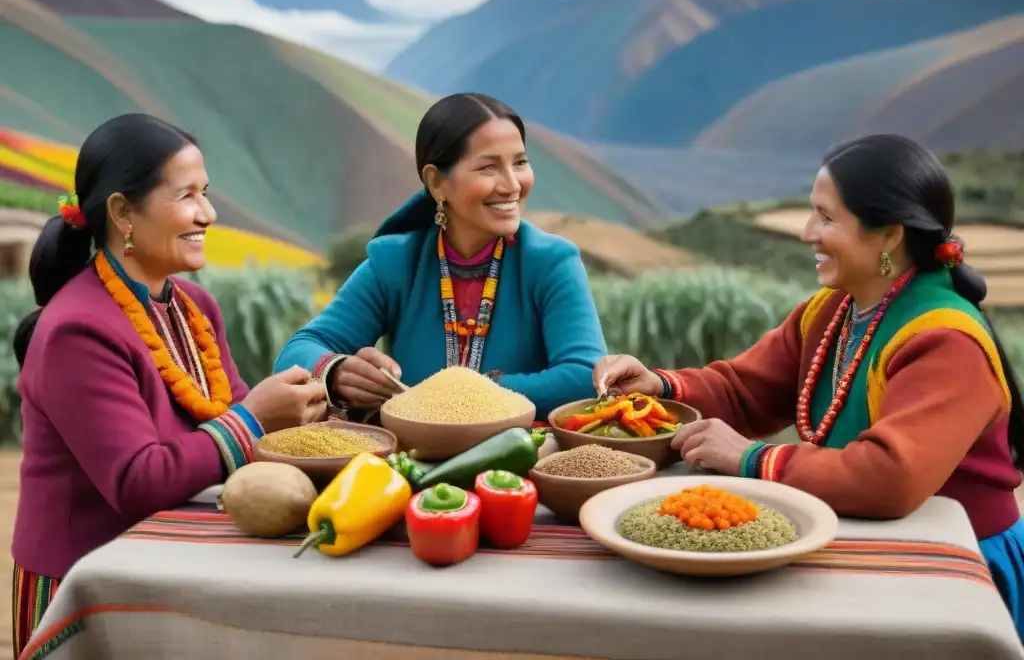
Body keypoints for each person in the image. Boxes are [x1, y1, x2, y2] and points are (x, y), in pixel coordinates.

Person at [593, 134, 1024, 635]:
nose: (806, 233)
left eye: (826, 217)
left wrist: (752, 459)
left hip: (953, 567)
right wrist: (661, 388)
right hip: (870, 544)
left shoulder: (946, 341)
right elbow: (744, 390)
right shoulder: (834, 312)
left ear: (888, 234)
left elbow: (891, 478)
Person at [11, 113, 327, 656]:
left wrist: (323, 394)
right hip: (85, 585)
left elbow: (230, 417)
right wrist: (255, 418)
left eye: (206, 193)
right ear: (122, 213)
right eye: (186, 196)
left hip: (170, 563)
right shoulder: (77, 329)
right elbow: (138, 479)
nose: (208, 213)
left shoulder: (192, 306)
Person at [275, 92, 606, 418]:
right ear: (436, 182)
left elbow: (583, 377)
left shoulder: (551, 262)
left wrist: (462, 396)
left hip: (521, 455)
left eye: (520, 162)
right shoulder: (396, 263)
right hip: (411, 458)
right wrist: (337, 371)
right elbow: (297, 353)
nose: (512, 184)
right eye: (489, 167)